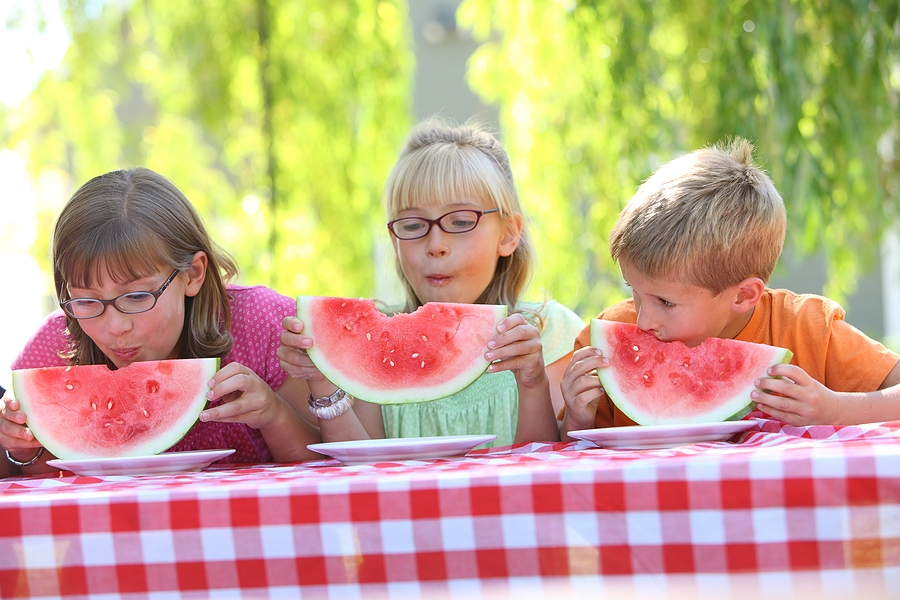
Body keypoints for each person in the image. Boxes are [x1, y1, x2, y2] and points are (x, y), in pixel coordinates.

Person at [560, 137, 900, 438]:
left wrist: (836, 408)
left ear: (743, 295)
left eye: (665, 301)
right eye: (634, 291)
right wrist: (576, 419)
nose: (644, 320)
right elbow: (562, 448)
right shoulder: (607, 338)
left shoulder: (808, 328)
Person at [278, 120, 585, 446]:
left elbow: (546, 465)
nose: (435, 244)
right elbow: (366, 466)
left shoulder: (552, 333)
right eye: (412, 225)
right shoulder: (373, 341)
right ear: (394, 241)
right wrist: (323, 381)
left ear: (509, 234)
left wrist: (532, 381)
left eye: (461, 221)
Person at [0, 167, 322, 477]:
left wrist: (274, 414)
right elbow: (43, 477)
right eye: (86, 300)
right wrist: (23, 448)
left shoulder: (263, 325)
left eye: (137, 297)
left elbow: (323, 464)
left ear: (192, 274)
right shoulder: (54, 348)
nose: (115, 327)